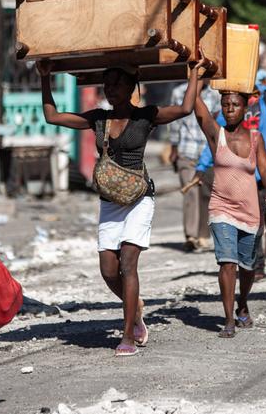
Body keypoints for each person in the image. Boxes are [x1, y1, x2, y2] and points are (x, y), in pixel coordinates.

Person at [37, 59, 206, 356]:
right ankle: (135, 310)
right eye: (107, 83)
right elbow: (52, 116)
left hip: (140, 198)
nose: (111, 89)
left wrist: (193, 72)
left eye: (117, 83)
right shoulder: (98, 118)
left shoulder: (146, 116)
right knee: (108, 270)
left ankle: (128, 334)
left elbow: (184, 109)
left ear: (131, 87)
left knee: (128, 264)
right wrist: (44, 78)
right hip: (111, 201)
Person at [195, 69, 266, 278]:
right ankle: (257, 264)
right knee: (254, 219)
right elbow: (218, 139)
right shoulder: (231, 102)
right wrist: (202, 165)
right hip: (244, 174)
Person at [194, 86, 266, 338]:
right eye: (226, 105)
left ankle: (242, 302)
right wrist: (196, 74)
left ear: (245, 108)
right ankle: (229, 319)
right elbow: (198, 109)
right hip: (221, 207)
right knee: (227, 263)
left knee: (247, 266)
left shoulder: (255, 139)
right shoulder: (215, 135)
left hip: (250, 209)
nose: (230, 110)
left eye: (235, 105)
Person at [168, 81, 220, 252]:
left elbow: (216, 123)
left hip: (207, 152)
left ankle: (203, 235)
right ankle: (191, 235)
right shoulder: (179, 92)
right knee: (190, 193)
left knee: (206, 194)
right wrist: (174, 148)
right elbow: (174, 124)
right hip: (186, 150)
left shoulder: (215, 93)